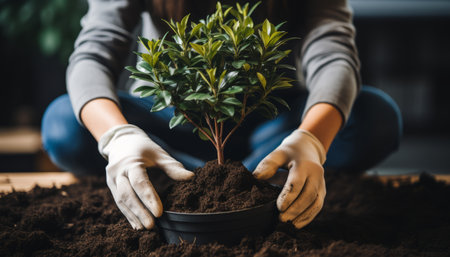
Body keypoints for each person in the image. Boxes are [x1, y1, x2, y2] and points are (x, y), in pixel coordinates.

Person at [41, 0, 402, 231]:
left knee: (376, 117)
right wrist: (117, 137)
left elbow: (333, 53)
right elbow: (93, 54)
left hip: (274, 122)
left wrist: (312, 140)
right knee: (63, 123)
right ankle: (210, 175)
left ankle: (192, 178)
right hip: (173, 120)